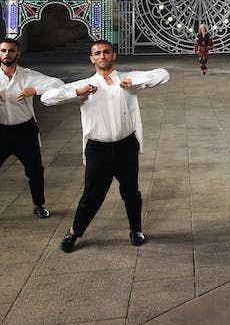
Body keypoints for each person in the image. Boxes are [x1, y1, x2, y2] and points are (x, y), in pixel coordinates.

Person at [41, 40, 169, 253]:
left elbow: (163, 74)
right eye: (97, 53)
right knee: (91, 196)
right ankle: (74, 232)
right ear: (92, 59)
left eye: (106, 52)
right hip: (98, 150)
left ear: (113, 55)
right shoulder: (84, 85)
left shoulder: (127, 79)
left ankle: (136, 230)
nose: (102, 56)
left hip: (126, 147)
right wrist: (77, 93)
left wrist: (137, 83)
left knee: (131, 192)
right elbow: (46, 98)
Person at [0, 38, 64, 219]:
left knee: (35, 171)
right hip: (1, 131)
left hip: (25, 131)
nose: (7, 54)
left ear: (18, 54)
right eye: (3, 50)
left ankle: (39, 205)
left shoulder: (27, 75)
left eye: (11, 51)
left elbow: (57, 83)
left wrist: (34, 90)